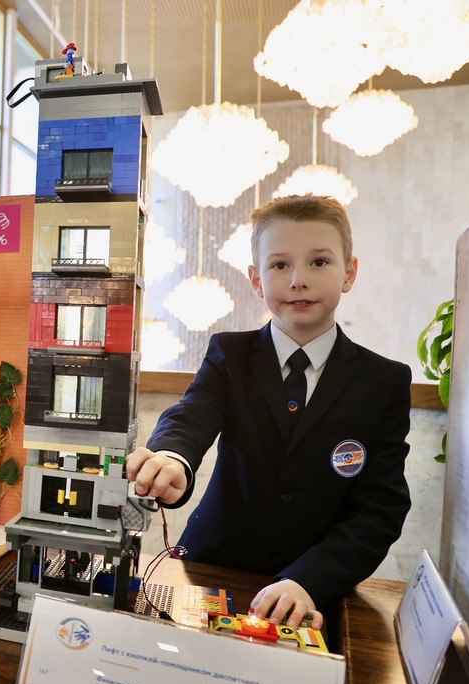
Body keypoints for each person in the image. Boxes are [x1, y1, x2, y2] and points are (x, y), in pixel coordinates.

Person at [126, 194, 411, 635]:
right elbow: (193, 412)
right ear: (257, 280)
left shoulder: (384, 381)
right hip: (210, 569)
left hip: (310, 591)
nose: (298, 280)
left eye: (319, 262)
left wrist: (309, 579)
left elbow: (379, 510)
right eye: (280, 265)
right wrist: (172, 457)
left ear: (349, 273)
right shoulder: (230, 354)